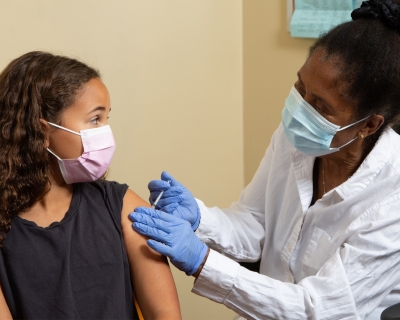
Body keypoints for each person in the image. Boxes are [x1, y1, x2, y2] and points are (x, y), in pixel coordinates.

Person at [130, 1, 400, 319]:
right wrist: (201, 220)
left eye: (321, 105)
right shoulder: (295, 140)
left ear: (369, 125)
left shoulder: (391, 199)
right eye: (300, 86)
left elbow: (317, 309)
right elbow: (256, 225)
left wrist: (202, 261)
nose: (301, 109)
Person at [0, 51, 181, 319]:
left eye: (107, 118)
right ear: (42, 132)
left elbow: (166, 315)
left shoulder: (121, 206)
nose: (106, 133)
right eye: (95, 119)